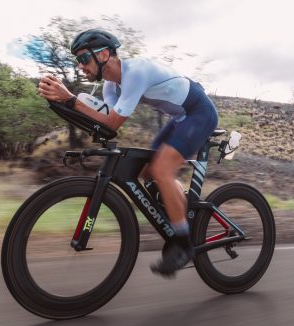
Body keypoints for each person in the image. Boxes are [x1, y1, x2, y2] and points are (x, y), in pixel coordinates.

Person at [37, 28, 219, 277]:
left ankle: (184, 243)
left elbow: (112, 123)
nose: (81, 67)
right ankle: (179, 209)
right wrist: (63, 103)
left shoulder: (135, 72)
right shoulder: (110, 87)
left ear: (103, 55)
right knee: (147, 171)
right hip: (179, 118)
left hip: (200, 112)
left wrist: (69, 98)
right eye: (78, 61)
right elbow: (104, 124)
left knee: (162, 170)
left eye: (83, 59)